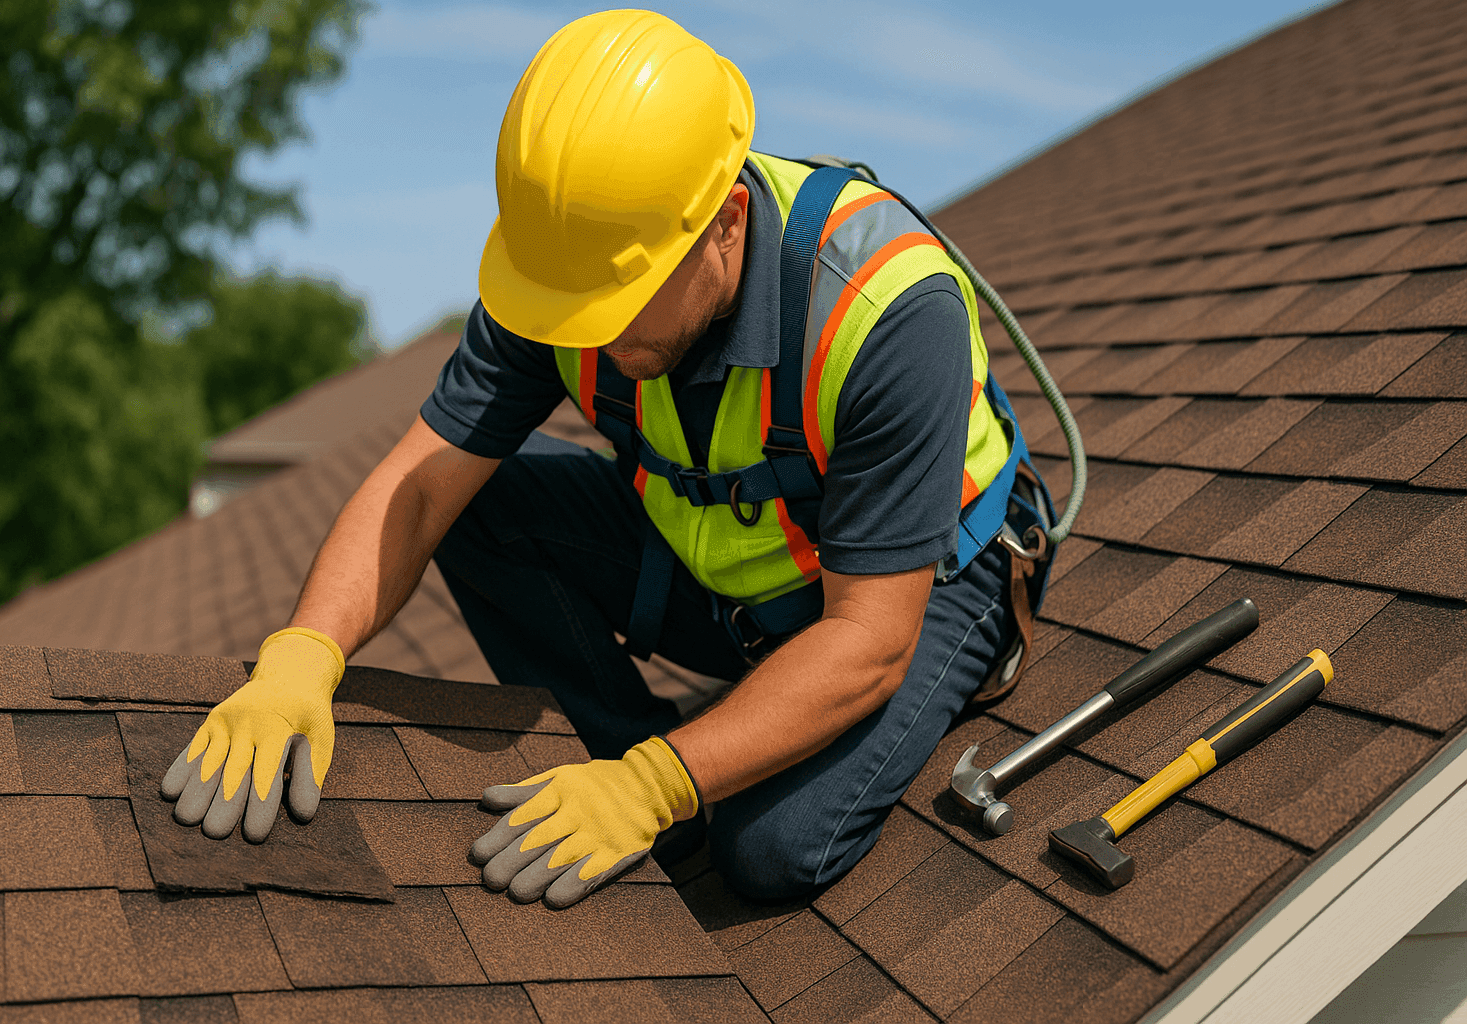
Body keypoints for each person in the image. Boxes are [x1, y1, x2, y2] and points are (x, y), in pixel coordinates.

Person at [160, 9, 1052, 909]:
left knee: (771, 850)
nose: (589, 334)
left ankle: (654, 784)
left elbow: (868, 637)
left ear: (726, 224)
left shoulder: (889, 310)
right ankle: (624, 754)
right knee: (478, 505)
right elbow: (419, 489)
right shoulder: (565, 270)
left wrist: (653, 787)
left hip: (923, 582)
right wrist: (303, 656)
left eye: (618, 304)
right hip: (728, 569)